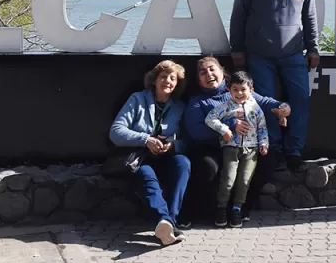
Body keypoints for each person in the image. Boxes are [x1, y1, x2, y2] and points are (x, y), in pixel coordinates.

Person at [230, 0, 319, 172]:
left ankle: (294, 151)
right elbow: (238, 15)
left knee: (300, 101)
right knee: (267, 104)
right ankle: (274, 149)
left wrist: (314, 47)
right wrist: (236, 48)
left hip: (294, 54)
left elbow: (310, 17)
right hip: (260, 54)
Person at [179, 56, 290, 226]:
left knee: (268, 159)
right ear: (198, 79)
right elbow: (196, 131)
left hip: (245, 146)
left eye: (211, 69)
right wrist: (228, 127)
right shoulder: (197, 101)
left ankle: (242, 207)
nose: (208, 74)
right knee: (208, 166)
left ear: (222, 72)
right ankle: (209, 209)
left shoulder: (237, 90)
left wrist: (283, 107)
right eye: (203, 72)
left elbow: (265, 102)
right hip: (213, 146)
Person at [108, 59, 190, 246]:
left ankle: (168, 221)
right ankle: (167, 222)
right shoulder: (137, 99)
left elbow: (188, 139)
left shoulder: (180, 106)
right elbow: (116, 131)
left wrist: (173, 146)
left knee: (183, 163)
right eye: (163, 77)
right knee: (146, 175)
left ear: (177, 84)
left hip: (167, 155)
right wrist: (145, 139)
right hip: (140, 157)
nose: (167, 81)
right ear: (154, 80)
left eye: (172, 78)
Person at [205, 71, 276, 228]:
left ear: (251, 89)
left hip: (251, 150)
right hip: (231, 148)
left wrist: (264, 143)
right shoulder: (226, 106)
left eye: (243, 89)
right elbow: (210, 118)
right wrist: (224, 129)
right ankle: (222, 208)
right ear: (229, 90)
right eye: (235, 89)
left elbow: (262, 127)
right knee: (228, 179)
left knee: (244, 181)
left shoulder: (256, 108)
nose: (239, 93)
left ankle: (237, 209)